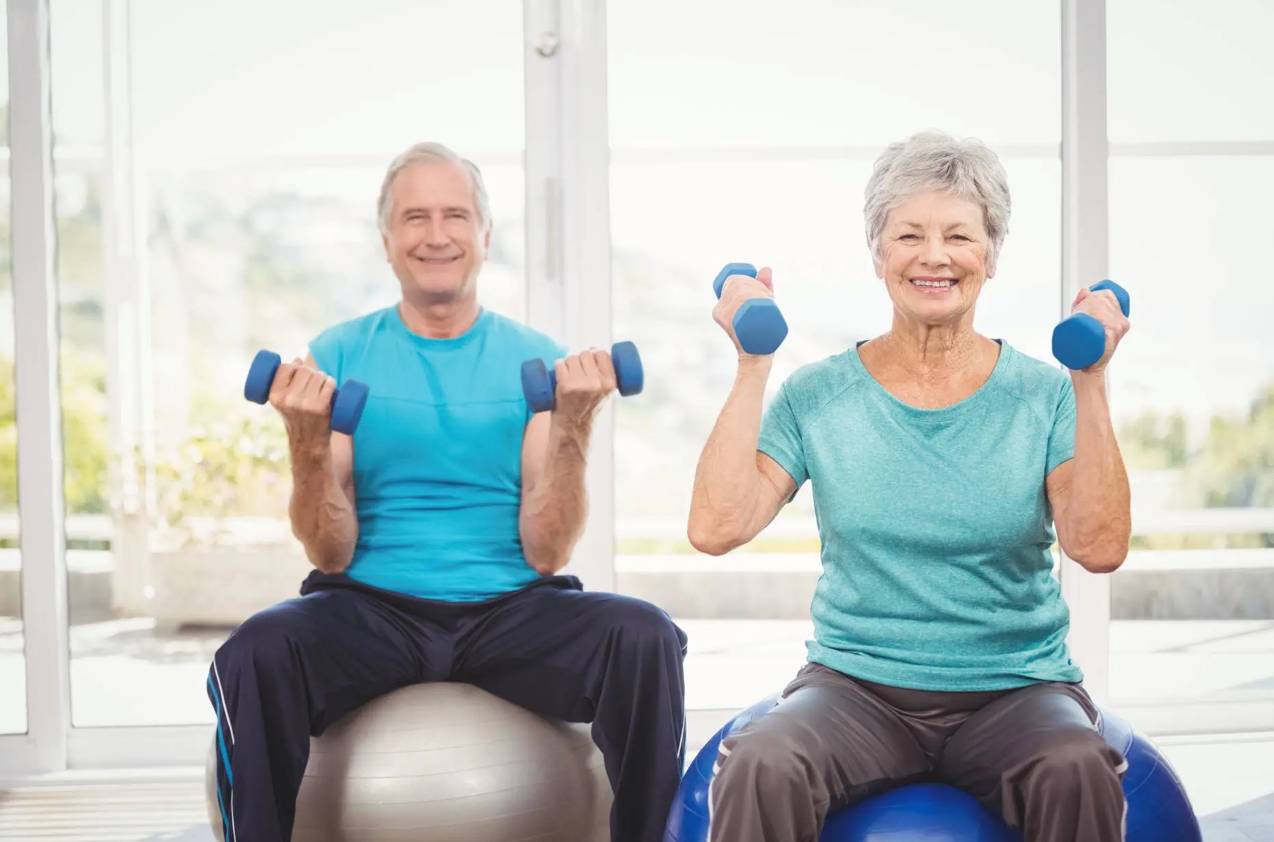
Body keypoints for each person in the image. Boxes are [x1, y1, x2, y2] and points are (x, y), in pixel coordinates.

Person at [206, 142, 686, 842]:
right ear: (387, 241)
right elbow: (330, 550)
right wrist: (306, 441)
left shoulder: (536, 361)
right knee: (256, 650)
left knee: (644, 636)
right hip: (369, 609)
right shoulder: (339, 352)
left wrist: (573, 426)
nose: (436, 235)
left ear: (486, 235)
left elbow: (546, 551)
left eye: (456, 215)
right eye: (415, 217)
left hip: (513, 610)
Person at [688, 131, 1132, 842]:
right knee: (763, 761)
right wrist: (751, 366)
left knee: (1075, 765)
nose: (934, 256)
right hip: (855, 692)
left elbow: (1099, 546)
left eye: (959, 235)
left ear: (989, 256)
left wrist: (1092, 380)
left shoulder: (1044, 395)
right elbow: (716, 528)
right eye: (908, 235)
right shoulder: (820, 394)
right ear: (877, 253)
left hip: (1016, 692)